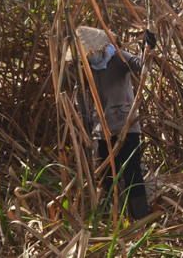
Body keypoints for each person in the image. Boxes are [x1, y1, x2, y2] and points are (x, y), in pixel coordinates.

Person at [70, 25, 156, 220]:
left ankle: (140, 218)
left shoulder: (117, 57)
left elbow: (141, 65)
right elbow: (80, 96)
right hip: (101, 130)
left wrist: (147, 49)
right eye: (87, 53)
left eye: (94, 51)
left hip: (126, 125)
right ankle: (112, 219)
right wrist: (82, 123)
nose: (92, 55)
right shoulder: (85, 67)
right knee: (107, 176)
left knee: (132, 173)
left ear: (102, 46)